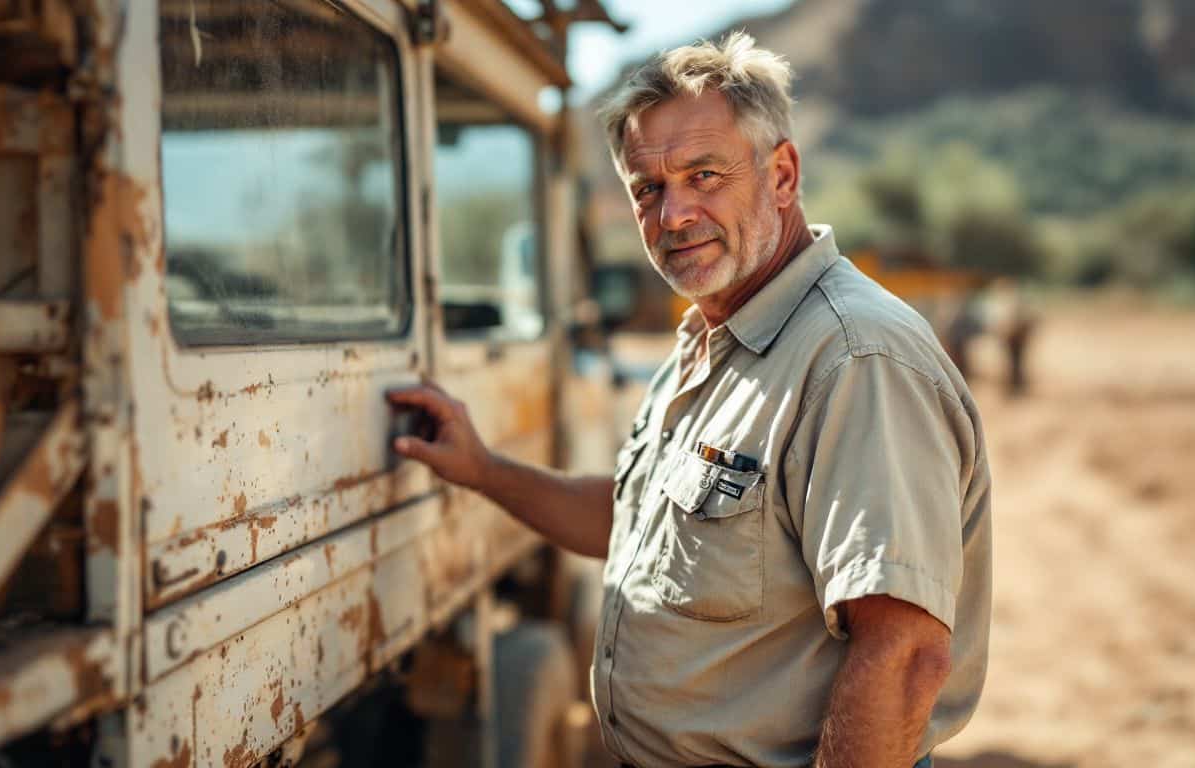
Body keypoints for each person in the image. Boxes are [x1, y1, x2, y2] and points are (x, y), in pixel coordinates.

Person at [388, 32, 991, 768]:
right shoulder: (713, 338)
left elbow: (904, 656)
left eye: (705, 175)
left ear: (782, 175)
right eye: (648, 188)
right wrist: (485, 470)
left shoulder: (855, 359)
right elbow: (640, 525)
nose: (673, 214)